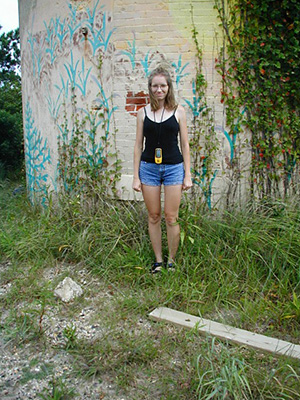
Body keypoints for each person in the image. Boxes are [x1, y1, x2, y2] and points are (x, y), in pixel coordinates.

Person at [132, 66, 193, 273]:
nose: (159, 90)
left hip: (174, 168)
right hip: (148, 168)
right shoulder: (142, 113)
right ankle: (158, 261)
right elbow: (138, 144)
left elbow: (185, 145)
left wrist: (188, 174)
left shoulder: (179, 112)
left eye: (163, 86)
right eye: (155, 86)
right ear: (150, 88)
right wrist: (135, 177)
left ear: (168, 87)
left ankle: (172, 261)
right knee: (154, 216)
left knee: (171, 216)